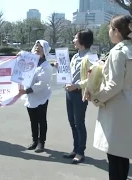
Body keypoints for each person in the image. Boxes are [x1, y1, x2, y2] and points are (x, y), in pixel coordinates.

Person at [86, 15, 132, 180]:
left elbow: (113, 85)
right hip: (128, 101)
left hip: (116, 104)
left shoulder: (117, 52)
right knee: (123, 153)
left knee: (114, 154)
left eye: (110, 29)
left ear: (117, 31)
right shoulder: (131, 49)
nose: (109, 32)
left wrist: (97, 98)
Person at [56, 29, 94, 164]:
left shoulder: (90, 57)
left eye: (75, 38)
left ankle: (80, 152)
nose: (73, 40)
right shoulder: (75, 56)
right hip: (69, 93)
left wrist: (76, 86)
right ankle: (75, 148)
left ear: (82, 40)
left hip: (79, 94)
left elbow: (93, 79)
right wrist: (59, 68)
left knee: (79, 123)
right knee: (72, 123)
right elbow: (69, 75)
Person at [18, 40, 52, 153]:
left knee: (41, 120)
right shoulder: (30, 62)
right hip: (30, 96)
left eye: (40, 47)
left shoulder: (46, 66)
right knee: (33, 120)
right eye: (36, 46)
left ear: (45, 50)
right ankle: (34, 141)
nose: (37, 48)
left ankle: (41, 142)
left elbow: (41, 84)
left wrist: (27, 90)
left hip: (41, 96)